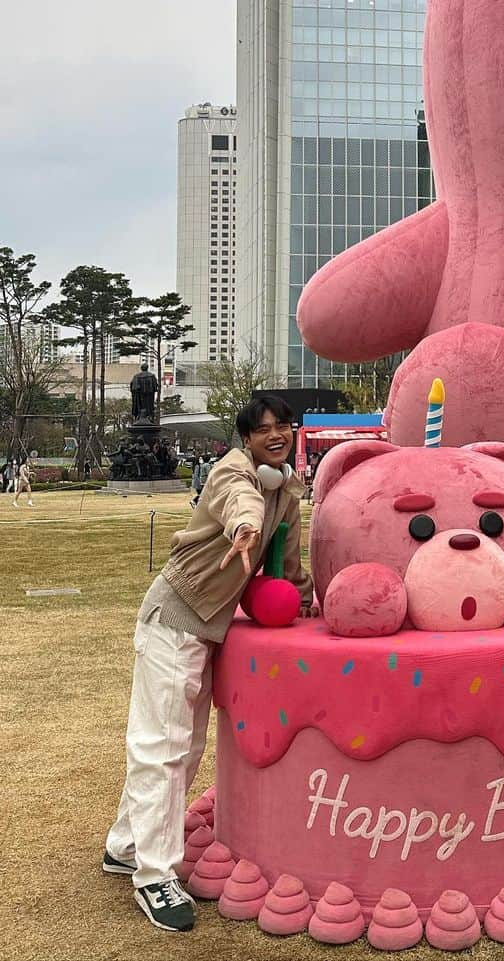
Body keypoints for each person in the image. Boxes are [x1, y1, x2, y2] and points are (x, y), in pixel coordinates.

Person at [103, 395, 315, 932]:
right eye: (263, 428)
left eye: (283, 426)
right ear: (246, 438)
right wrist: (245, 528)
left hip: (207, 630)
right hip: (176, 617)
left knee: (183, 746)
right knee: (164, 746)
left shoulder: (286, 492)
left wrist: (314, 602)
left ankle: (127, 845)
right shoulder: (232, 472)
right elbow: (238, 501)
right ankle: (154, 876)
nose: (275, 435)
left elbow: (288, 568)